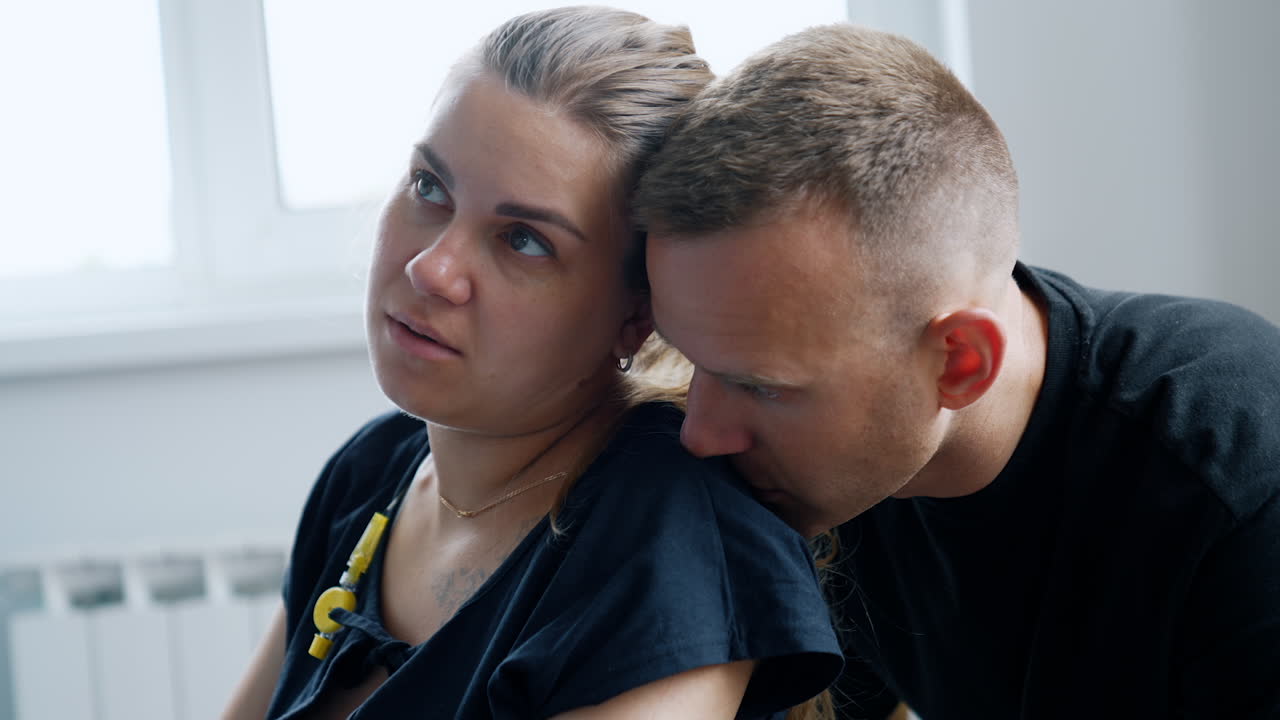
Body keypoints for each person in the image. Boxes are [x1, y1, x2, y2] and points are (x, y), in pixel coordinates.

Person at [637, 22, 1280, 720]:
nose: (701, 432)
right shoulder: (831, 466)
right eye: (695, 361)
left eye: (760, 386)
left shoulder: (1237, 487)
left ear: (961, 362)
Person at [220, 8, 843, 719]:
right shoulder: (370, 473)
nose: (433, 268)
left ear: (635, 315)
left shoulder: (668, 540)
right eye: (430, 187)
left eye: (522, 240)